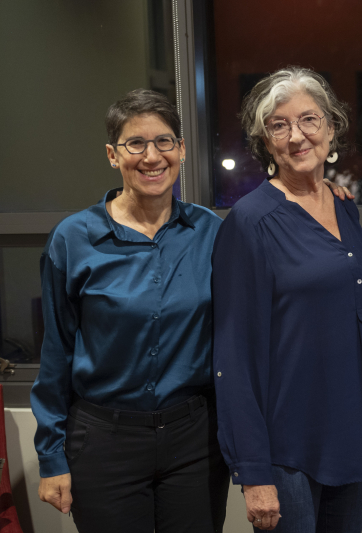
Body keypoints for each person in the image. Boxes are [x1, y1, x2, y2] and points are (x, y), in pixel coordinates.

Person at [30, 89, 230, 532]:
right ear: (111, 155)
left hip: (194, 441)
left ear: (180, 149)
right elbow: (56, 351)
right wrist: (51, 455)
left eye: (163, 142)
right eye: (134, 143)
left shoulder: (212, 233)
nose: (150, 156)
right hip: (104, 441)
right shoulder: (73, 238)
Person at [212, 67, 362, 532]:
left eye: (309, 120)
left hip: (354, 436)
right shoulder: (250, 222)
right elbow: (234, 355)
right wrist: (253, 472)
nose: (297, 136)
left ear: (332, 129)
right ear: (264, 141)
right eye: (279, 125)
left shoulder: (345, 205)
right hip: (287, 450)